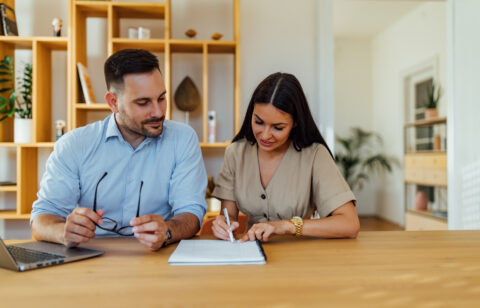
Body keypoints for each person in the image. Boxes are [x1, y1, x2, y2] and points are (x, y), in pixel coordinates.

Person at [31, 49, 207, 251]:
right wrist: (63, 232)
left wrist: (167, 230)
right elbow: (41, 219)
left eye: (161, 98)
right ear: (113, 102)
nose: (158, 112)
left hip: (158, 257)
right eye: (143, 103)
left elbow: (191, 213)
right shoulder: (74, 144)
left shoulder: (183, 139)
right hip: (90, 260)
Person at [212, 72, 359, 242]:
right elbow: (229, 215)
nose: (265, 135)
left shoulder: (315, 156)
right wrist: (224, 224)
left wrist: (287, 226)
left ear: (295, 122)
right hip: (251, 253)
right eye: (259, 122)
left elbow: (350, 224)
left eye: (278, 127)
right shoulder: (235, 153)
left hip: (299, 258)